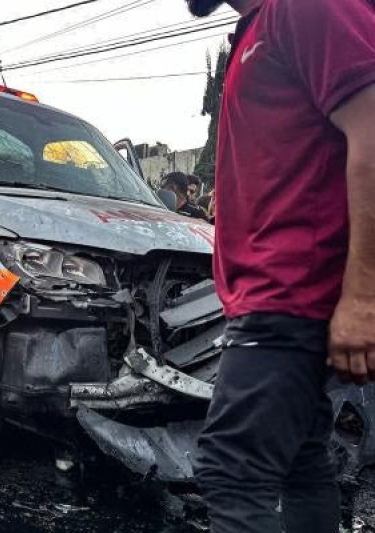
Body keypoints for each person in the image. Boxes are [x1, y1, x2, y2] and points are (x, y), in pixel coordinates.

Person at [184, 0, 375, 532]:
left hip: (290, 296)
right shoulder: (258, 29)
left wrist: (364, 298)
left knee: (231, 470)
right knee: (300, 462)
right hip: (279, 298)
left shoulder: (306, 7)